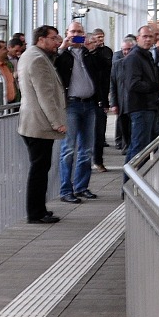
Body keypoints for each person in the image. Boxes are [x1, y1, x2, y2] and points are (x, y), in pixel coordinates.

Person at [18, 25, 67, 224]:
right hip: (39, 124)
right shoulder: (38, 60)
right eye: (54, 38)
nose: (58, 41)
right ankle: (36, 213)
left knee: (39, 168)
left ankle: (39, 210)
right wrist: (57, 122)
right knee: (39, 169)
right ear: (41, 39)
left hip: (32, 122)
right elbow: (45, 95)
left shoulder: (31, 54)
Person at [54, 21, 107, 203]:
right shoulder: (62, 54)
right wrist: (62, 48)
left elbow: (105, 67)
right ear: (67, 33)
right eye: (73, 32)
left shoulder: (88, 53)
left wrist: (92, 49)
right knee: (68, 149)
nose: (76, 35)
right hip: (71, 106)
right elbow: (52, 66)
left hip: (90, 105)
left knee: (86, 150)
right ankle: (65, 190)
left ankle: (81, 186)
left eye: (80, 32)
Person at [121, 24, 159, 179]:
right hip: (140, 108)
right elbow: (133, 84)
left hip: (148, 107)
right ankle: (129, 184)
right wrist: (157, 86)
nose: (148, 39)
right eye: (145, 36)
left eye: (151, 37)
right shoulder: (134, 58)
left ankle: (134, 183)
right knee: (138, 148)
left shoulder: (146, 56)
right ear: (138, 39)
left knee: (141, 147)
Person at [89, 29, 113, 172]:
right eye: (95, 39)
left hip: (100, 97)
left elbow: (107, 70)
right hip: (87, 99)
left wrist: (106, 102)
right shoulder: (86, 55)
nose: (98, 41)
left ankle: (98, 160)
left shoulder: (106, 53)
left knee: (99, 133)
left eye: (100, 38)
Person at [110, 34, 136, 152]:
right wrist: (113, 103)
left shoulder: (138, 63)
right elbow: (113, 85)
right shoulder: (117, 65)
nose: (126, 52)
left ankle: (132, 148)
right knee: (124, 127)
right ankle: (126, 145)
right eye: (124, 49)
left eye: (128, 49)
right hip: (122, 103)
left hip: (136, 103)